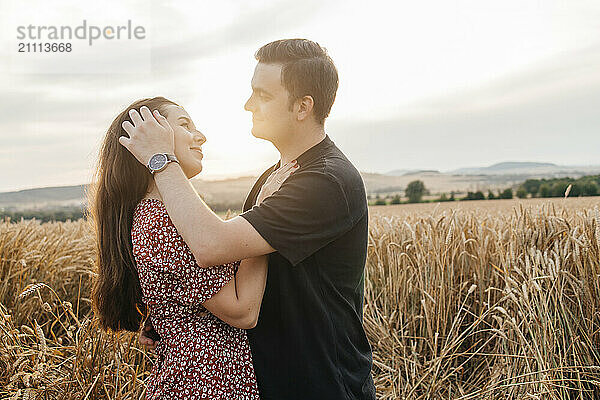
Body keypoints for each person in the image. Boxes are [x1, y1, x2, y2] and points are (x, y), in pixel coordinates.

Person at [121, 39, 376, 399]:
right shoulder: (273, 176)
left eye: (263, 95)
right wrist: (178, 309)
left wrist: (161, 159)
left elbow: (214, 246)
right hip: (273, 377)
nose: (248, 105)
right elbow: (236, 266)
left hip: (320, 380)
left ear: (303, 106)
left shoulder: (325, 181)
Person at [91, 96, 295, 399]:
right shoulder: (160, 220)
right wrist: (265, 220)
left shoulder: (158, 214)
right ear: (151, 134)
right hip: (205, 384)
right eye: (185, 125)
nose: (201, 136)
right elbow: (242, 312)